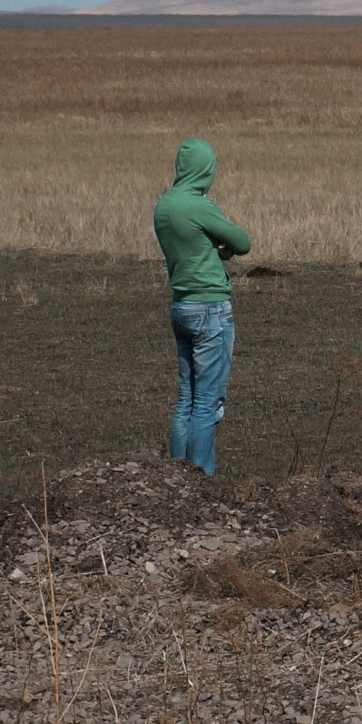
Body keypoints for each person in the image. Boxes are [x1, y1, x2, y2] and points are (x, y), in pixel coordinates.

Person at [153, 138, 251, 475]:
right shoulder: (199, 206)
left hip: (182, 306)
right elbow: (242, 242)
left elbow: (192, 246)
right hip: (210, 310)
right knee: (208, 403)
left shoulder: (164, 206)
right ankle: (200, 484)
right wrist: (224, 249)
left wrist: (214, 251)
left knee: (187, 399)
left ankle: (176, 479)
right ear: (204, 171)